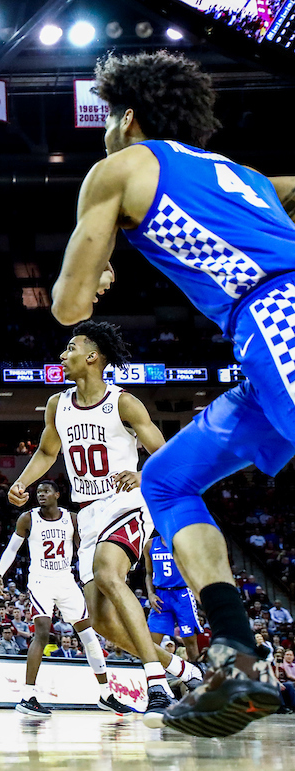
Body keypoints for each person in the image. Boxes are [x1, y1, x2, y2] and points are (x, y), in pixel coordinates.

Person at [50, 50, 293, 736]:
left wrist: (91, 276)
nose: (103, 132)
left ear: (128, 119)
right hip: (259, 338)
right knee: (168, 478)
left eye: (106, 118)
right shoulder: (242, 177)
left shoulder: (120, 168)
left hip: (281, 317)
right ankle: (236, 650)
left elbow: (69, 307)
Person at [8, 322, 201, 728]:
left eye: (70, 347)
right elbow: (47, 451)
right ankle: (186, 673)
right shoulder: (57, 405)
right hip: (89, 515)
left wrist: (144, 475)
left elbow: (166, 456)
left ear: (92, 357)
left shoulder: (124, 403)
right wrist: (23, 482)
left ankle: (156, 685)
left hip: (127, 504)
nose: (63, 355)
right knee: (103, 622)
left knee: (108, 574)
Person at [0, 481, 134, 717]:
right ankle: (27, 695)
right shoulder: (27, 519)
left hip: (66, 581)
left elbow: (84, 551)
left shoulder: (72, 519)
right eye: (38, 492)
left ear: (57, 494)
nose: (41, 495)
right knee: (41, 632)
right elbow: (11, 549)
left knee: (89, 636)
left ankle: (105, 694)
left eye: (46, 491)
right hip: (41, 581)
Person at [145, 533, 205, 668]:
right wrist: (150, 593)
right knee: (152, 642)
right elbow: (148, 573)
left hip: (182, 593)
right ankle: (154, 673)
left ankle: (196, 674)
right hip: (160, 595)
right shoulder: (149, 544)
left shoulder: (183, 542)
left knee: (190, 640)